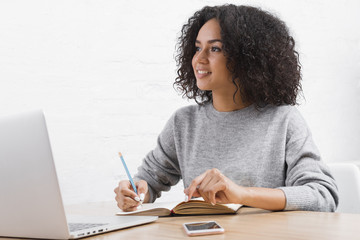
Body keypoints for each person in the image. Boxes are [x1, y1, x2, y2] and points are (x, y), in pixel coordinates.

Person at [114, 4, 338, 212]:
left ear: (248, 59)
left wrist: (240, 194)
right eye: (198, 48)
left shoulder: (284, 120)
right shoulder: (183, 123)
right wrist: (135, 193)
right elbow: (148, 182)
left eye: (215, 49)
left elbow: (322, 195)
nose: (199, 59)